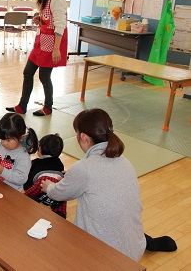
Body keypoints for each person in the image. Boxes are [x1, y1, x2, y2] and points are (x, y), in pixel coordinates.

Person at [40, 109, 177, 261]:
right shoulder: (124, 161)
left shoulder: (84, 168)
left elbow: (60, 193)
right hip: (134, 246)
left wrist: (48, 187)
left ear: (83, 137)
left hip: (104, 255)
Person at [6, 0, 68, 116]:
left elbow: (60, 24)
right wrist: (38, 19)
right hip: (41, 42)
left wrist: (56, 49)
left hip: (52, 44)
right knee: (28, 72)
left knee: (44, 77)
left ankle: (48, 107)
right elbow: (49, 19)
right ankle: (22, 106)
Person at [0, 113, 38, 191]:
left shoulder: (23, 157)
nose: (4, 143)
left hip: (11, 192)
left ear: (21, 137)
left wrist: (2, 171)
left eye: (8, 140)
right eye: (2, 138)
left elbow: (21, 179)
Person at [23, 133, 66, 218]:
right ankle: (60, 213)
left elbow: (29, 178)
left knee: (28, 196)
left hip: (42, 182)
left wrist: (26, 188)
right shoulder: (60, 163)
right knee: (60, 199)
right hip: (57, 184)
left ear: (40, 149)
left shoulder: (35, 162)